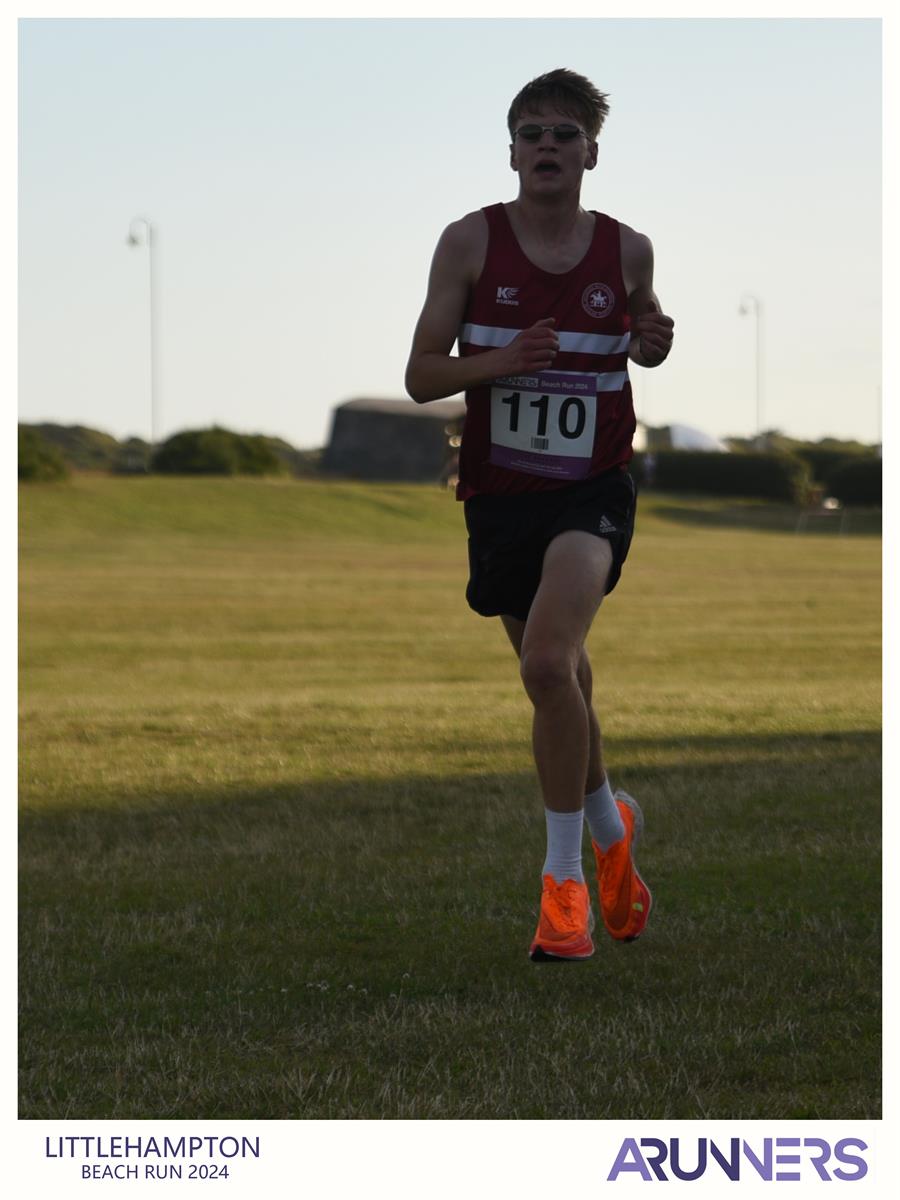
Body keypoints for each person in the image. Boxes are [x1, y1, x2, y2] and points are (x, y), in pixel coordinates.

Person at [405, 68, 674, 961]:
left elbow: (645, 330)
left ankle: (564, 891)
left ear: (591, 151)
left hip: (592, 489)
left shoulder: (627, 248)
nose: (547, 146)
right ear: (512, 150)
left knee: (550, 662)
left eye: (564, 133)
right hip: (499, 494)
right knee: (562, 681)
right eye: (532, 133)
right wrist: (505, 359)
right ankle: (610, 830)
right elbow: (421, 375)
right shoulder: (469, 242)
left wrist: (653, 336)